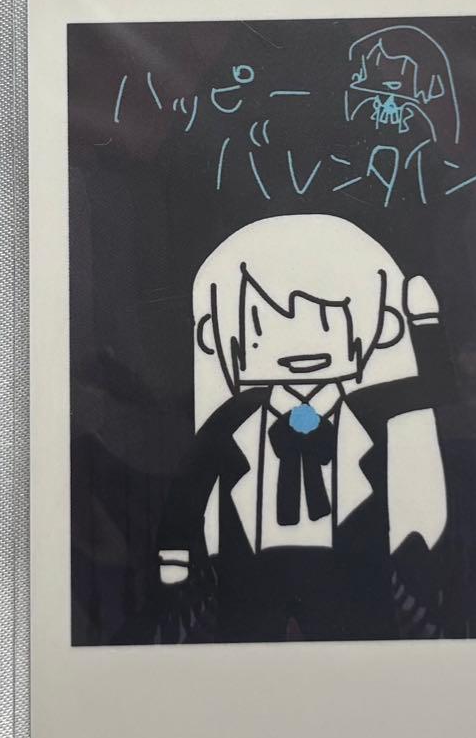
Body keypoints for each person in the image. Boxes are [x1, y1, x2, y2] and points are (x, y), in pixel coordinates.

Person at [155, 214, 454, 643]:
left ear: (377, 327)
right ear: (215, 335)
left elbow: (436, 388)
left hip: (350, 573)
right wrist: (175, 551)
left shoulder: (367, 410)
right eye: (263, 327)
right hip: (251, 576)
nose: (300, 345)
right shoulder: (234, 417)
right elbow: (192, 481)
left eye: (328, 320)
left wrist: (425, 322)